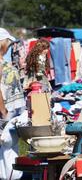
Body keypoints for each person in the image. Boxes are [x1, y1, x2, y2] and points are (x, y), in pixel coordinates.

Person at [0, 28, 26, 180]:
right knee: (8, 157)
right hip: (5, 117)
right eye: (8, 44)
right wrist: (4, 113)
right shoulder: (3, 66)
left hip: (6, 116)